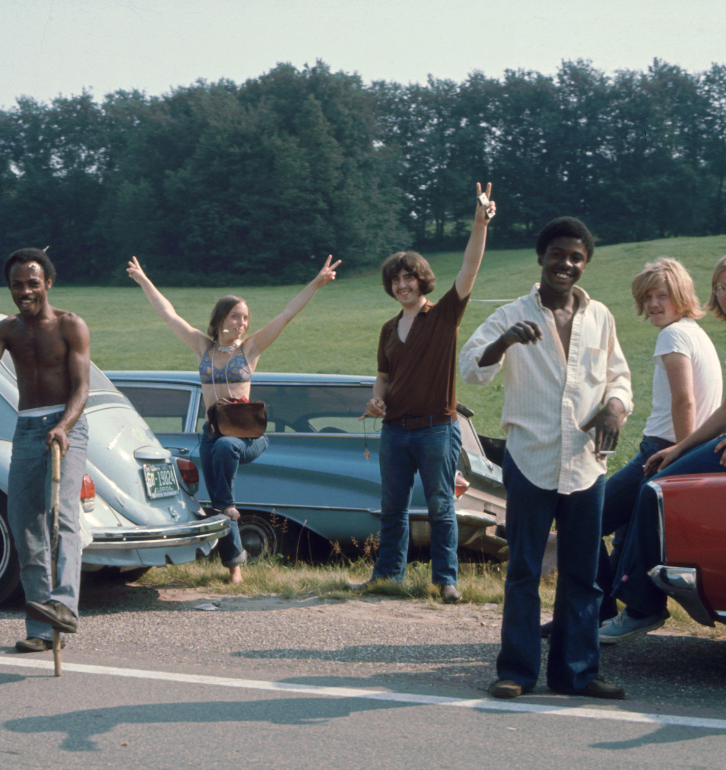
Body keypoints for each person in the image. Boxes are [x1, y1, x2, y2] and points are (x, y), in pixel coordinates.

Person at [460, 216, 632, 700]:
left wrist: (616, 407)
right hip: (530, 459)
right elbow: (471, 370)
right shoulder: (512, 313)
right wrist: (505, 340)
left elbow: (619, 377)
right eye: (558, 254)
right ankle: (515, 671)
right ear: (541, 258)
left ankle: (577, 673)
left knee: (583, 575)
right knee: (524, 572)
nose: (567, 264)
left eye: (577, 257)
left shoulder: (600, 317)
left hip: (585, 465)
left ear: (585, 264)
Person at [127, 254, 341, 584]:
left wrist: (316, 282)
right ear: (219, 319)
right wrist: (144, 281)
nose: (242, 323)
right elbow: (169, 314)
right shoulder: (203, 347)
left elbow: (286, 315)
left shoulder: (250, 350)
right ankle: (235, 568)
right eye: (235, 316)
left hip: (248, 435)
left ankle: (227, 507)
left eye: (245, 318)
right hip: (212, 434)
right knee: (218, 498)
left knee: (227, 451)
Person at [539, 258, 721, 638]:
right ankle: (597, 617)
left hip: (662, 451)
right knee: (616, 534)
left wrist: (681, 457)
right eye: (647, 297)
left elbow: (685, 401)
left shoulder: (673, 336)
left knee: (582, 522)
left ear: (682, 296)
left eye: (662, 296)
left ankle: (597, 616)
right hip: (673, 448)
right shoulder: (694, 332)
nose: (653, 304)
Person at [355, 184, 497, 604]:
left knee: (440, 507)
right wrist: (375, 400)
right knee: (392, 509)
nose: (402, 284)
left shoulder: (445, 314)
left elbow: (469, 268)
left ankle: (445, 581)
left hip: (438, 429)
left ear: (422, 281)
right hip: (395, 430)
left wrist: (478, 223)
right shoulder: (387, 328)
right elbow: (383, 375)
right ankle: (387, 579)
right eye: (396, 279)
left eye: (409, 277)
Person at [601, 252, 726, 644]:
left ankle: (640, 608)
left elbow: (687, 402)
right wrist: (682, 449)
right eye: (721, 288)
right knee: (639, 507)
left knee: (650, 494)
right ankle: (613, 608)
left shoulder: (675, 335)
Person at [0, 248, 91, 653]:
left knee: (64, 516)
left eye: (32, 283)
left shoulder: (71, 325)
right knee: (26, 524)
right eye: (17, 284)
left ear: (48, 283)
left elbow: (82, 389)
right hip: (27, 428)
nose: (25, 291)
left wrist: (63, 426)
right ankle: (41, 627)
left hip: (67, 425)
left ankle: (66, 605)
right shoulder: (7, 330)